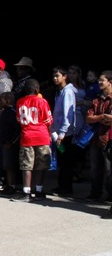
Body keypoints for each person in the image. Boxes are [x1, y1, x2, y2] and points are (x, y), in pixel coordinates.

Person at [12, 78, 53, 202]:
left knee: (27, 166)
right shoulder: (42, 102)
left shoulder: (20, 102)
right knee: (41, 165)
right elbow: (48, 121)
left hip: (27, 137)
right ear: (37, 89)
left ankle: (26, 192)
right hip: (42, 136)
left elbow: (19, 120)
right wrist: (50, 134)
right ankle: (39, 191)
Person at [84, 70, 112, 203]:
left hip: (109, 140)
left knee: (109, 170)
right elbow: (89, 118)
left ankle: (110, 196)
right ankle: (95, 193)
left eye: (102, 80)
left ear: (110, 82)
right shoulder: (96, 99)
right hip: (96, 139)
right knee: (95, 169)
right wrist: (102, 117)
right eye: (99, 80)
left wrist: (100, 118)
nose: (99, 82)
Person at [50, 66, 77, 196]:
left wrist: (62, 133)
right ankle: (62, 186)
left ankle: (66, 188)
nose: (55, 79)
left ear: (64, 76)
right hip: (59, 132)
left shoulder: (68, 92)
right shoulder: (60, 91)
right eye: (54, 76)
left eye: (58, 76)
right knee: (62, 160)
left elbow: (68, 114)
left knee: (66, 161)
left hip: (65, 134)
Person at [0, 91, 21, 195]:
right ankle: (8, 184)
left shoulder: (12, 112)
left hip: (10, 144)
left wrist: (11, 142)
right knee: (5, 165)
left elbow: (18, 129)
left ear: (7, 101)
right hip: (3, 142)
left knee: (10, 165)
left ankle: (12, 186)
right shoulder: (4, 112)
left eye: (1, 100)